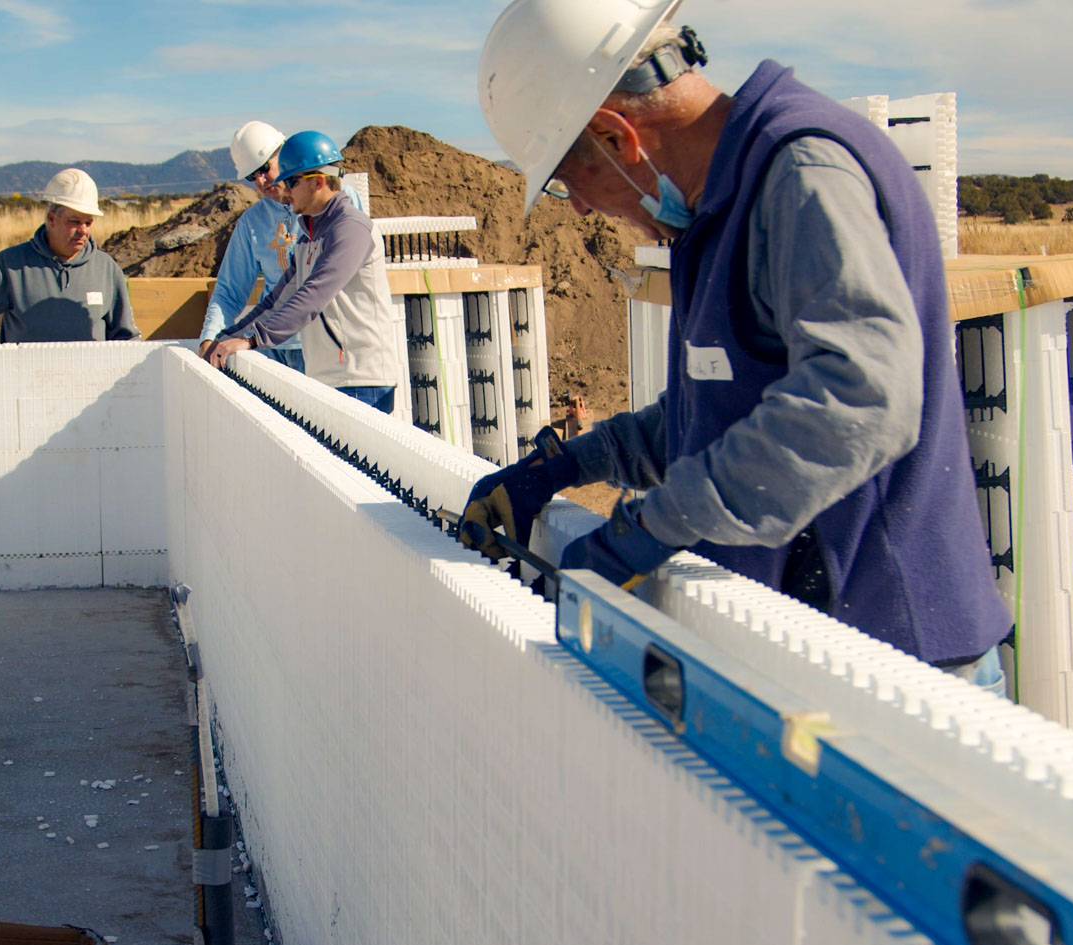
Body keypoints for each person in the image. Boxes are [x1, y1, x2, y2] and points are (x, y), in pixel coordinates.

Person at [463, 0, 1012, 695]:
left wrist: (648, 526)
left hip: (897, 668)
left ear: (615, 135)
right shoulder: (715, 205)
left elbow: (862, 400)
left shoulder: (802, 174)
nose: (579, 208)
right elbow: (716, 412)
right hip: (814, 650)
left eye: (573, 182)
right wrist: (571, 462)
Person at [201, 131, 403, 413]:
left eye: (292, 181)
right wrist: (222, 338)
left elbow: (313, 295)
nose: (283, 187)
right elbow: (276, 299)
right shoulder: (310, 235)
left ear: (318, 182)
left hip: (360, 379)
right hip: (328, 378)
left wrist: (252, 340)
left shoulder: (351, 229)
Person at [199, 121, 371, 372]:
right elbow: (230, 290)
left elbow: (323, 286)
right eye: (251, 176)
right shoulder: (251, 222)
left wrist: (251, 338)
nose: (260, 180)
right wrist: (211, 338)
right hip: (274, 350)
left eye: (264, 168)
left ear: (285, 154)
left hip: (329, 346)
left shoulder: (338, 203)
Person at [0, 168, 139, 345]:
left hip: (87, 392)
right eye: (74, 222)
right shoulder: (12, 265)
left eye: (88, 222)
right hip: (28, 390)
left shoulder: (106, 269)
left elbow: (125, 336)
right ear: (51, 219)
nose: (83, 230)